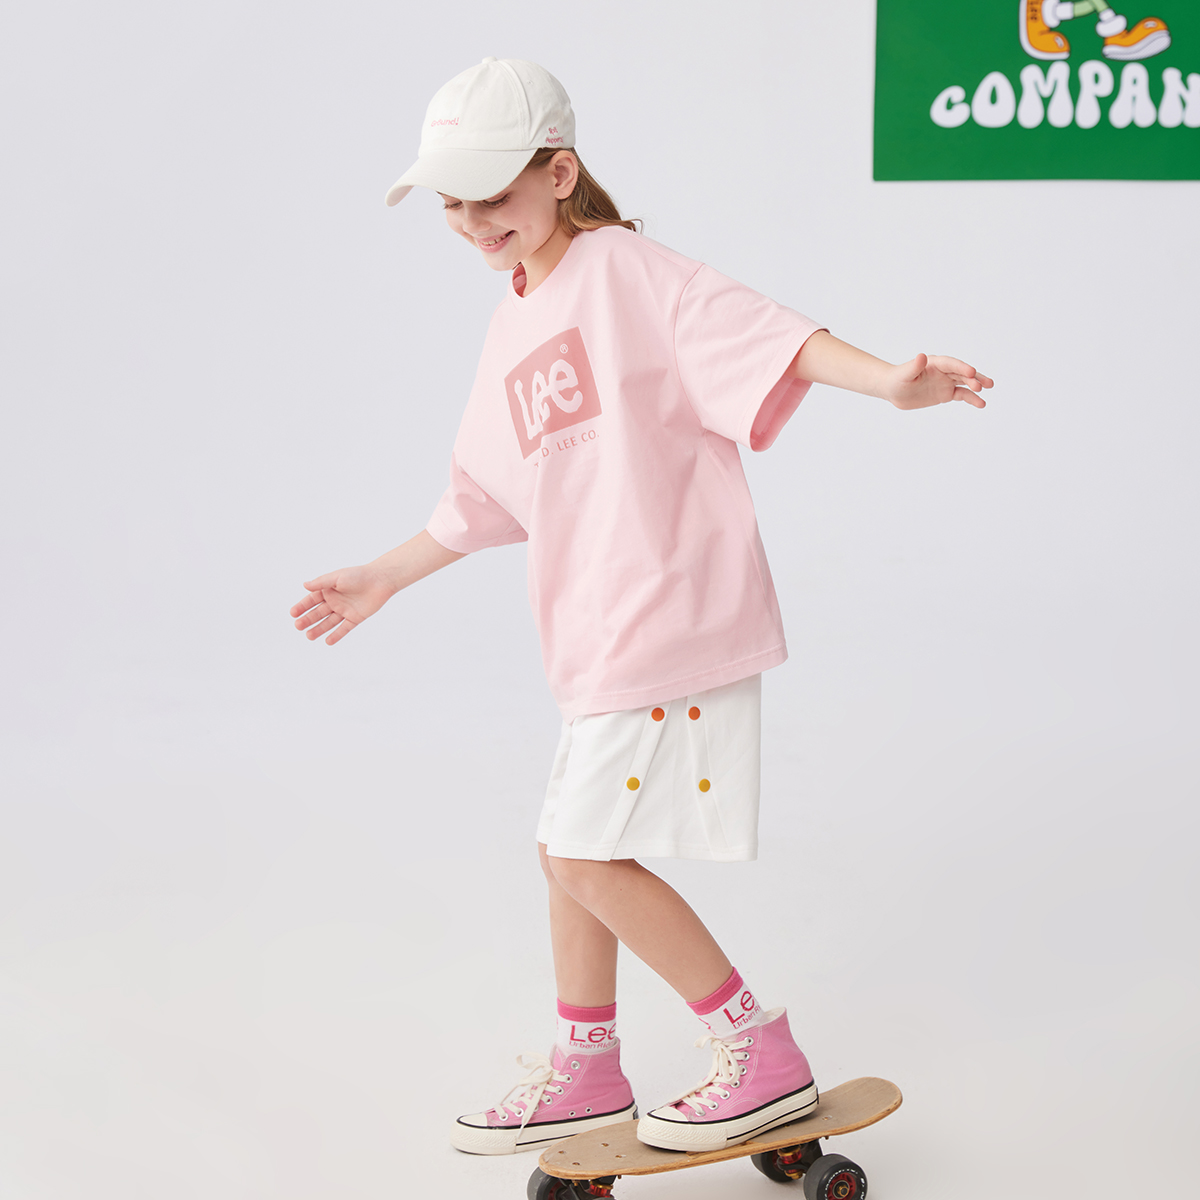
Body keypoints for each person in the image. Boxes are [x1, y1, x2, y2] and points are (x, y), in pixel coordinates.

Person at [289, 57, 992, 1158]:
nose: (474, 222)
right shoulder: (517, 318)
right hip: (595, 631)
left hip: (669, 609)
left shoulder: (623, 269)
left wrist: (890, 384)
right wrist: (384, 574)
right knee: (563, 849)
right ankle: (587, 1068)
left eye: (494, 194)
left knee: (581, 855)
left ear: (559, 173)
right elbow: (484, 494)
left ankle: (756, 1048)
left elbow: (765, 333)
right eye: (452, 203)